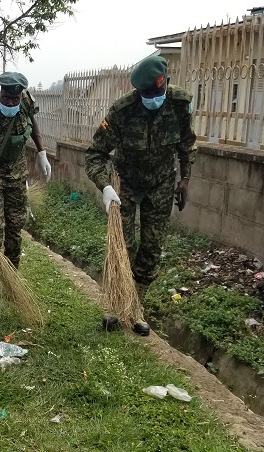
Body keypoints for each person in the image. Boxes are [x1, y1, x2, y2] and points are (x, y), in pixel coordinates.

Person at [85, 56, 196, 336]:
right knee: (123, 245)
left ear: (166, 84)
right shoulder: (122, 111)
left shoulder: (180, 105)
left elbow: (187, 145)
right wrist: (105, 186)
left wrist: (185, 179)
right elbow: (95, 154)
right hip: (126, 186)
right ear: (138, 92)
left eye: (155, 94)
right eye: (145, 95)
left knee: (151, 247)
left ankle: (136, 308)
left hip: (161, 185)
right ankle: (116, 305)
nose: (150, 100)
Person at [0, 72, 52, 310]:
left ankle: (12, 281)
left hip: (18, 178)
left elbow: (33, 124)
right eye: (6, 99)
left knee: (16, 231)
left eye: (14, 99)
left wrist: (42, 151)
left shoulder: (26, 101)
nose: (11, 103)